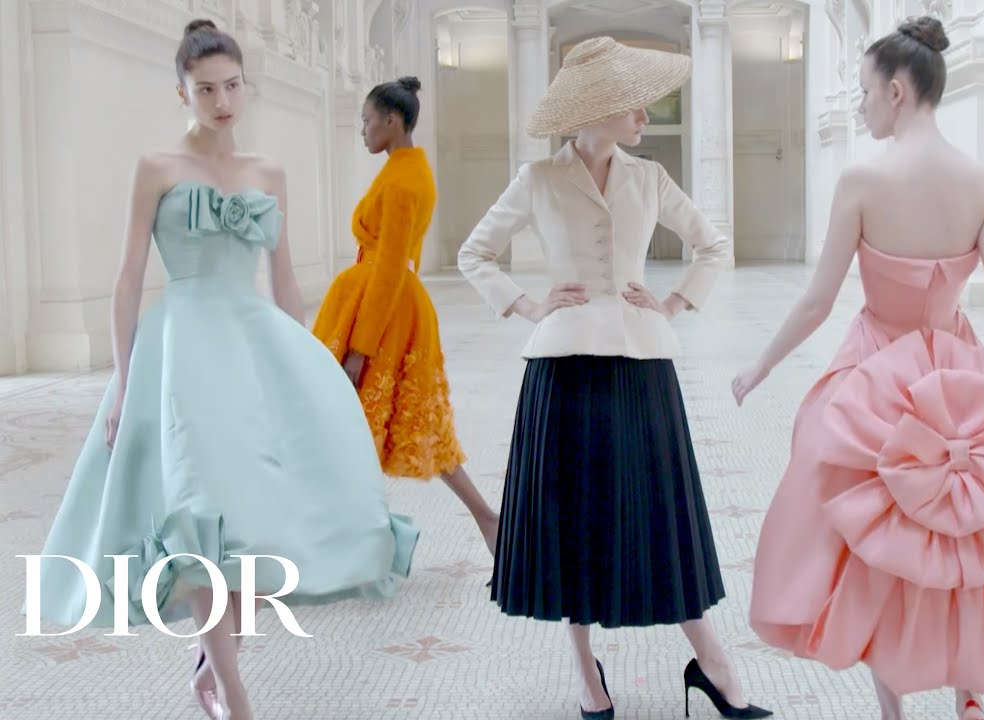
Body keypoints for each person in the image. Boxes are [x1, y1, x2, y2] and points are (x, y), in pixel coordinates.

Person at [25, 20, 418, 720]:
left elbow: (283, 277)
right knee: (200, 510)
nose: (222, 101)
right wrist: (124, 383)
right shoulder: (156, 167)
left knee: (253, 520)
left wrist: (309, 369)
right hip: (180, 350)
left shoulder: (269, 172)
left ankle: (211, 665)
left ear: (245, 85)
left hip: (252, 344)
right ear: (181, 91)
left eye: (232, 86)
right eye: (205, 89)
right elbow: (127, 279)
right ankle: (234, 690)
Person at [732, 18, 984, 720]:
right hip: (960, 377)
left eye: (864, 92)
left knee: (876, 541)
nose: (860, 107)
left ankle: (893, 711)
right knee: (965, 528)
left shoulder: (862, 180)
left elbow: (819, 300)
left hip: (876, 374)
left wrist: (761, 364)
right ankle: (970, 694)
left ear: (897, 91)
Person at [457, 36, 772, 720]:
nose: (644, 117)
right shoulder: (538, 179)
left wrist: (675, 302)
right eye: (634, 105)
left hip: (642, 364)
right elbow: (474, 252)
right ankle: (585, 675)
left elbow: (712, 244)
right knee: (571, 518)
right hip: (562, 367)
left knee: (661, 515)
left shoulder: (649, 177)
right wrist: (528, 306)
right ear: (597, 108)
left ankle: (713, 662)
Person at [312, 76, 499, 556]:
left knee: (367, 422)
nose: (362, 130)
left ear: (392, 121)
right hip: (382, 303)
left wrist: (361, 347)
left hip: (383, 310)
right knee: (398, 424)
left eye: (366, 121)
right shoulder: (406, 169)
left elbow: (392, 267)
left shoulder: (403, 180)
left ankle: (479, 520)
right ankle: (477, 521)